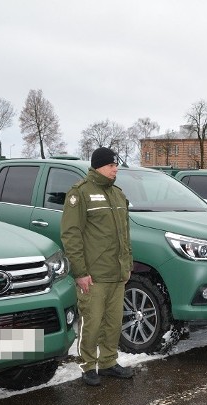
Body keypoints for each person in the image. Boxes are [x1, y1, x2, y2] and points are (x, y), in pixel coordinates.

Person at [60, 147, 134, 386]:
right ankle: (88, 365)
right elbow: (71, 235)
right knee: (92, 322)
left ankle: (109, 362)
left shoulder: (118, 195)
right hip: (94, 274)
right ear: (99, 166)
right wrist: (80, 272)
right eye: (112, 165)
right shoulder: (80, 194)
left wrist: (128, 264)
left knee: (114, 322)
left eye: (116, 165)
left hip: (117, 273)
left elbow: (126, 234)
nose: (116, 169)